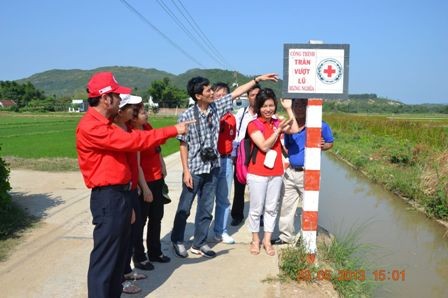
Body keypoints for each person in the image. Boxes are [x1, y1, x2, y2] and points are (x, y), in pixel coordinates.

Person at [76, 71, 193, 298]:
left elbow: (128, 161)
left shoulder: (106, 124)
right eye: (118, 96)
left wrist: (129, 199)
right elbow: (133, 142)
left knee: (118, 256)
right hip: (108, 197)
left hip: (120, 195)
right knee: (105, 260)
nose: (121, 101)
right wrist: (173, 130)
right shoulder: (92, 126)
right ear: (105, 98)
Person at [171, 73, 279, 259]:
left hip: (213, 167)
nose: (213, 92)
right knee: (185, 207)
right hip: (195, 169)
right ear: (198, 95)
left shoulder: (215, 108)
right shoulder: (187, 115)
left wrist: (257, 80)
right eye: (209, 90)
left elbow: (237, 92)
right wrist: (186, 171)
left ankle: (199, 243)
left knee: (206, 208)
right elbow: (183, 145)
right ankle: (178, 240)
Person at [271, 98, 334, 245]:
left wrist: (324, 146)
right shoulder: (288, 126)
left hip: (309, 173)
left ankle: (306, 239)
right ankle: (285, 236)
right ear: (292, 107)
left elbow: (330, 142)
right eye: (296, 105)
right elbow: (286, 148)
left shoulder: (320, 125)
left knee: (309, 206)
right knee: (286, 206)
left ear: (308, 108)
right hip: (291, 172)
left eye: (302, 105)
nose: (299, 108)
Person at [245, 88, 292, 256]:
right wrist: (278, 132)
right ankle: (255, 240)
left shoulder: (277, 122)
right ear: (259, 107)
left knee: (271, 208)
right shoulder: (253, 124)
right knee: (256, 209)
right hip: (257, 173)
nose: (268, 109)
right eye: (264, 106)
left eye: (271, 105)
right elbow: (264, 145)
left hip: (276, 172)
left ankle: (267, 240)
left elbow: (293, 128)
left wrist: (288, 109)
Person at [112, 94, 147, 295]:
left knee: (131, 233)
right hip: (121, 191)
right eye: (132, 108)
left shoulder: (128, 129)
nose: (135, 111)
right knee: (121, 238)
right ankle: (121, 280)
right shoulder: (115, 131)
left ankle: (126, 271)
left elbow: (136, 164)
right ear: (120, 110)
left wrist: (138, 185)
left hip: (131, 188)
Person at [130, 102, 172, 269]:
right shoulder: (133, 134)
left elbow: (157, 148)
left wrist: (162, 165)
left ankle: (155, 251)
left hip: (157, 179)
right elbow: (137, 164)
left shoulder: (147, 127)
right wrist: (145, 188)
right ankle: (139, 257)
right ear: (133, 117)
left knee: (157, 217)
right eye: (141, 112)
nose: (146, 114)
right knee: (140, 222)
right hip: (144, 182)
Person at [230, 84, 260, 226]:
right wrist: (235, 154)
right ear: (248, 97)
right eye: (252, 95)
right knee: (239, 187)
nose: (255, 98)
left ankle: (259, 216)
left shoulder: (266, 113)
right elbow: (236, 134)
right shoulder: (241, 113)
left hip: (259, 155)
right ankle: (237, 215)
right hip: (242, 154)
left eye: (257, 95)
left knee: (258, 188)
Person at [212, 82, 236, 244]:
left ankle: (221, 231)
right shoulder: (210, 115)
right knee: (205, 199)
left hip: (226, 161)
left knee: (224, 198)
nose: (221, 99)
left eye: (224, 96)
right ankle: (202, 232)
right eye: (217, 95)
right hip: (211, 161)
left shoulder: (232, 118)